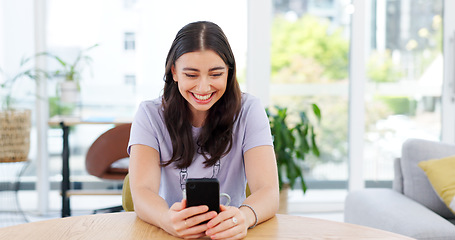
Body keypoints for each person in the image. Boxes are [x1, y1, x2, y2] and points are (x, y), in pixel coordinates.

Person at [128, 21, 279, 239]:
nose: (203, 87)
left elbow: (269, 191)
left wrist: (243, 218)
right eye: (191, 75)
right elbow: (142, 191)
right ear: (174, 72)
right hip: (170, 233)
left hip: (229, 234)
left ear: (229, 72)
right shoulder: (149, 115)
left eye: (216, 74)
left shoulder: (249, 110)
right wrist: (165, 219)